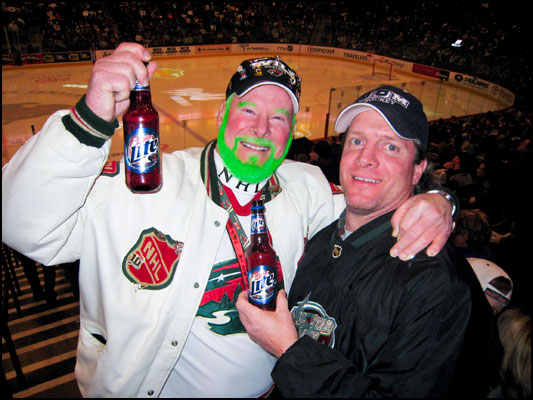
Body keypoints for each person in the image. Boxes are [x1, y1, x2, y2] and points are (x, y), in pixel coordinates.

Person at [2, 44, 454, 397]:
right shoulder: (140, 182)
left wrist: (437, 199)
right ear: (222, 115)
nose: (261, 130)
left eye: (279, 118)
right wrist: (89, 118)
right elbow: (20, 225)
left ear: (292, 131)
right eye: (248, 111)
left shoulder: (309, 188)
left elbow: (375, 205)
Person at [237, 85, 500, 397]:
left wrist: (289, 350)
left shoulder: (434, 281)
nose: (365, 158)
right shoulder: (324, 236)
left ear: (417, 171)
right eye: (357, 141)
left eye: (390, 147)